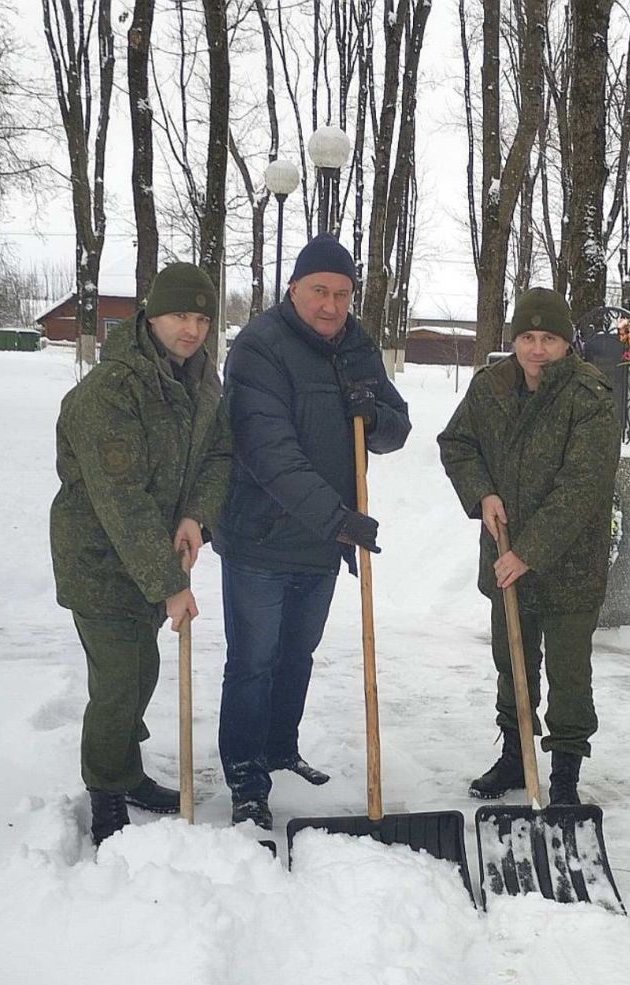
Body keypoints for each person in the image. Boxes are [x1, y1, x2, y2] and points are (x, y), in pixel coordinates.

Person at [215, 234, 411, 836]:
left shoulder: (355, 346)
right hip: (260, 538)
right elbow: (269, 454)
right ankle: (247, 778)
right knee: (254, 661)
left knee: (296, 655)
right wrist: (339, 520)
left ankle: (279, 748)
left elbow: (397, 425)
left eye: (343, 294)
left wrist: (374, 414)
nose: (331, 305)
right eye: (319, 291)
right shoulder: (258, 348)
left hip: (322, 543)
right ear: (294, 288)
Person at [50, 262, 232, 847]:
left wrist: (194, 515)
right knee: (117, 683)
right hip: (102, 561)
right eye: (181, 315)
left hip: (155, 554)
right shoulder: (110, 391)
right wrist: (170, 584)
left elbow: (219, 455)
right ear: (151, 315)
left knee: (142, 671)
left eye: (203, 318)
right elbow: (120, 502)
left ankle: (124, 772)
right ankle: (105, 791)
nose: (193, 329)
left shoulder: (202, 379)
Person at [437, 287, 620, 805]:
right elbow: (458, 444)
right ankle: (516, 758)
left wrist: (528, 550)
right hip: (504, 553)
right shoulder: (490, 387)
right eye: (527, 337)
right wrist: (482, 493)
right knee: (511, 662)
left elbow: (582, 487)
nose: (537, 349)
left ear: (567, 343)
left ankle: (564, 777)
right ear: (515, 339)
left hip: (568, 565)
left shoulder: (590, 397)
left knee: (568, 672)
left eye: (549, 339)